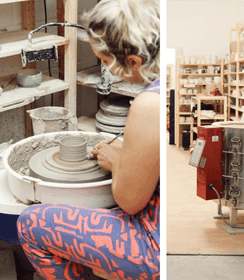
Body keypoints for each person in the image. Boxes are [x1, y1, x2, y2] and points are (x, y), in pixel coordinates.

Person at [16, 0, 160, 279]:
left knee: (30, 223)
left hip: (153, 243)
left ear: (133, 61)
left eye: (106, 61)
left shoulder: (149, 104)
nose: (106, 69)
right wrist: (128, 155)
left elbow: (130, 202)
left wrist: (116, 162)